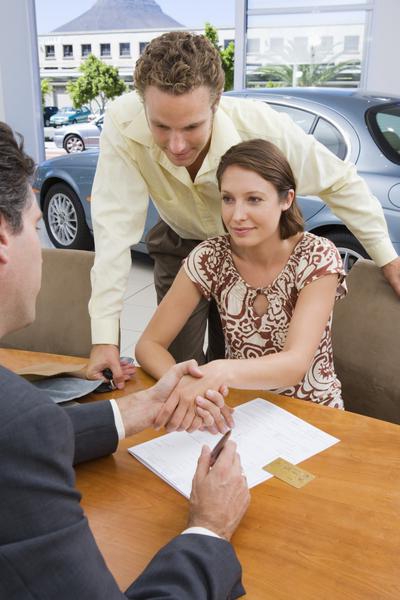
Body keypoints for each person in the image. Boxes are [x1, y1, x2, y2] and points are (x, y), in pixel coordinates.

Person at [0, 121, 250, 599]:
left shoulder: (20, 426)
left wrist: (142, 408)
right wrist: (209, 530)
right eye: (35, 227)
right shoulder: (18, 426)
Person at [87, 31, 400, 389]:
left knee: (235, 360)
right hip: (182, 245)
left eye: (191, 127)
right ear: (143, 105)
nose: (175, 146)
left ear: (216, 102)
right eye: (160, 126)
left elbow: (340, 182)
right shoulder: (122, 123)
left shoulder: (263, 128)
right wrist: (105, 340)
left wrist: (389, 259)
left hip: (252, 254)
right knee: (177, 362)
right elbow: (113, 229)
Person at [135, 139, 346, 432]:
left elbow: (294, 364)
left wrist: (219, 370)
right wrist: (183, 381)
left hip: (314, 416)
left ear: (286, 200)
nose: (237, 215)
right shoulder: (210, 256)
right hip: (240, 413)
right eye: (228, 199)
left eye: (254, 199)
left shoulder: (316, 255)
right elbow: (148, 345)